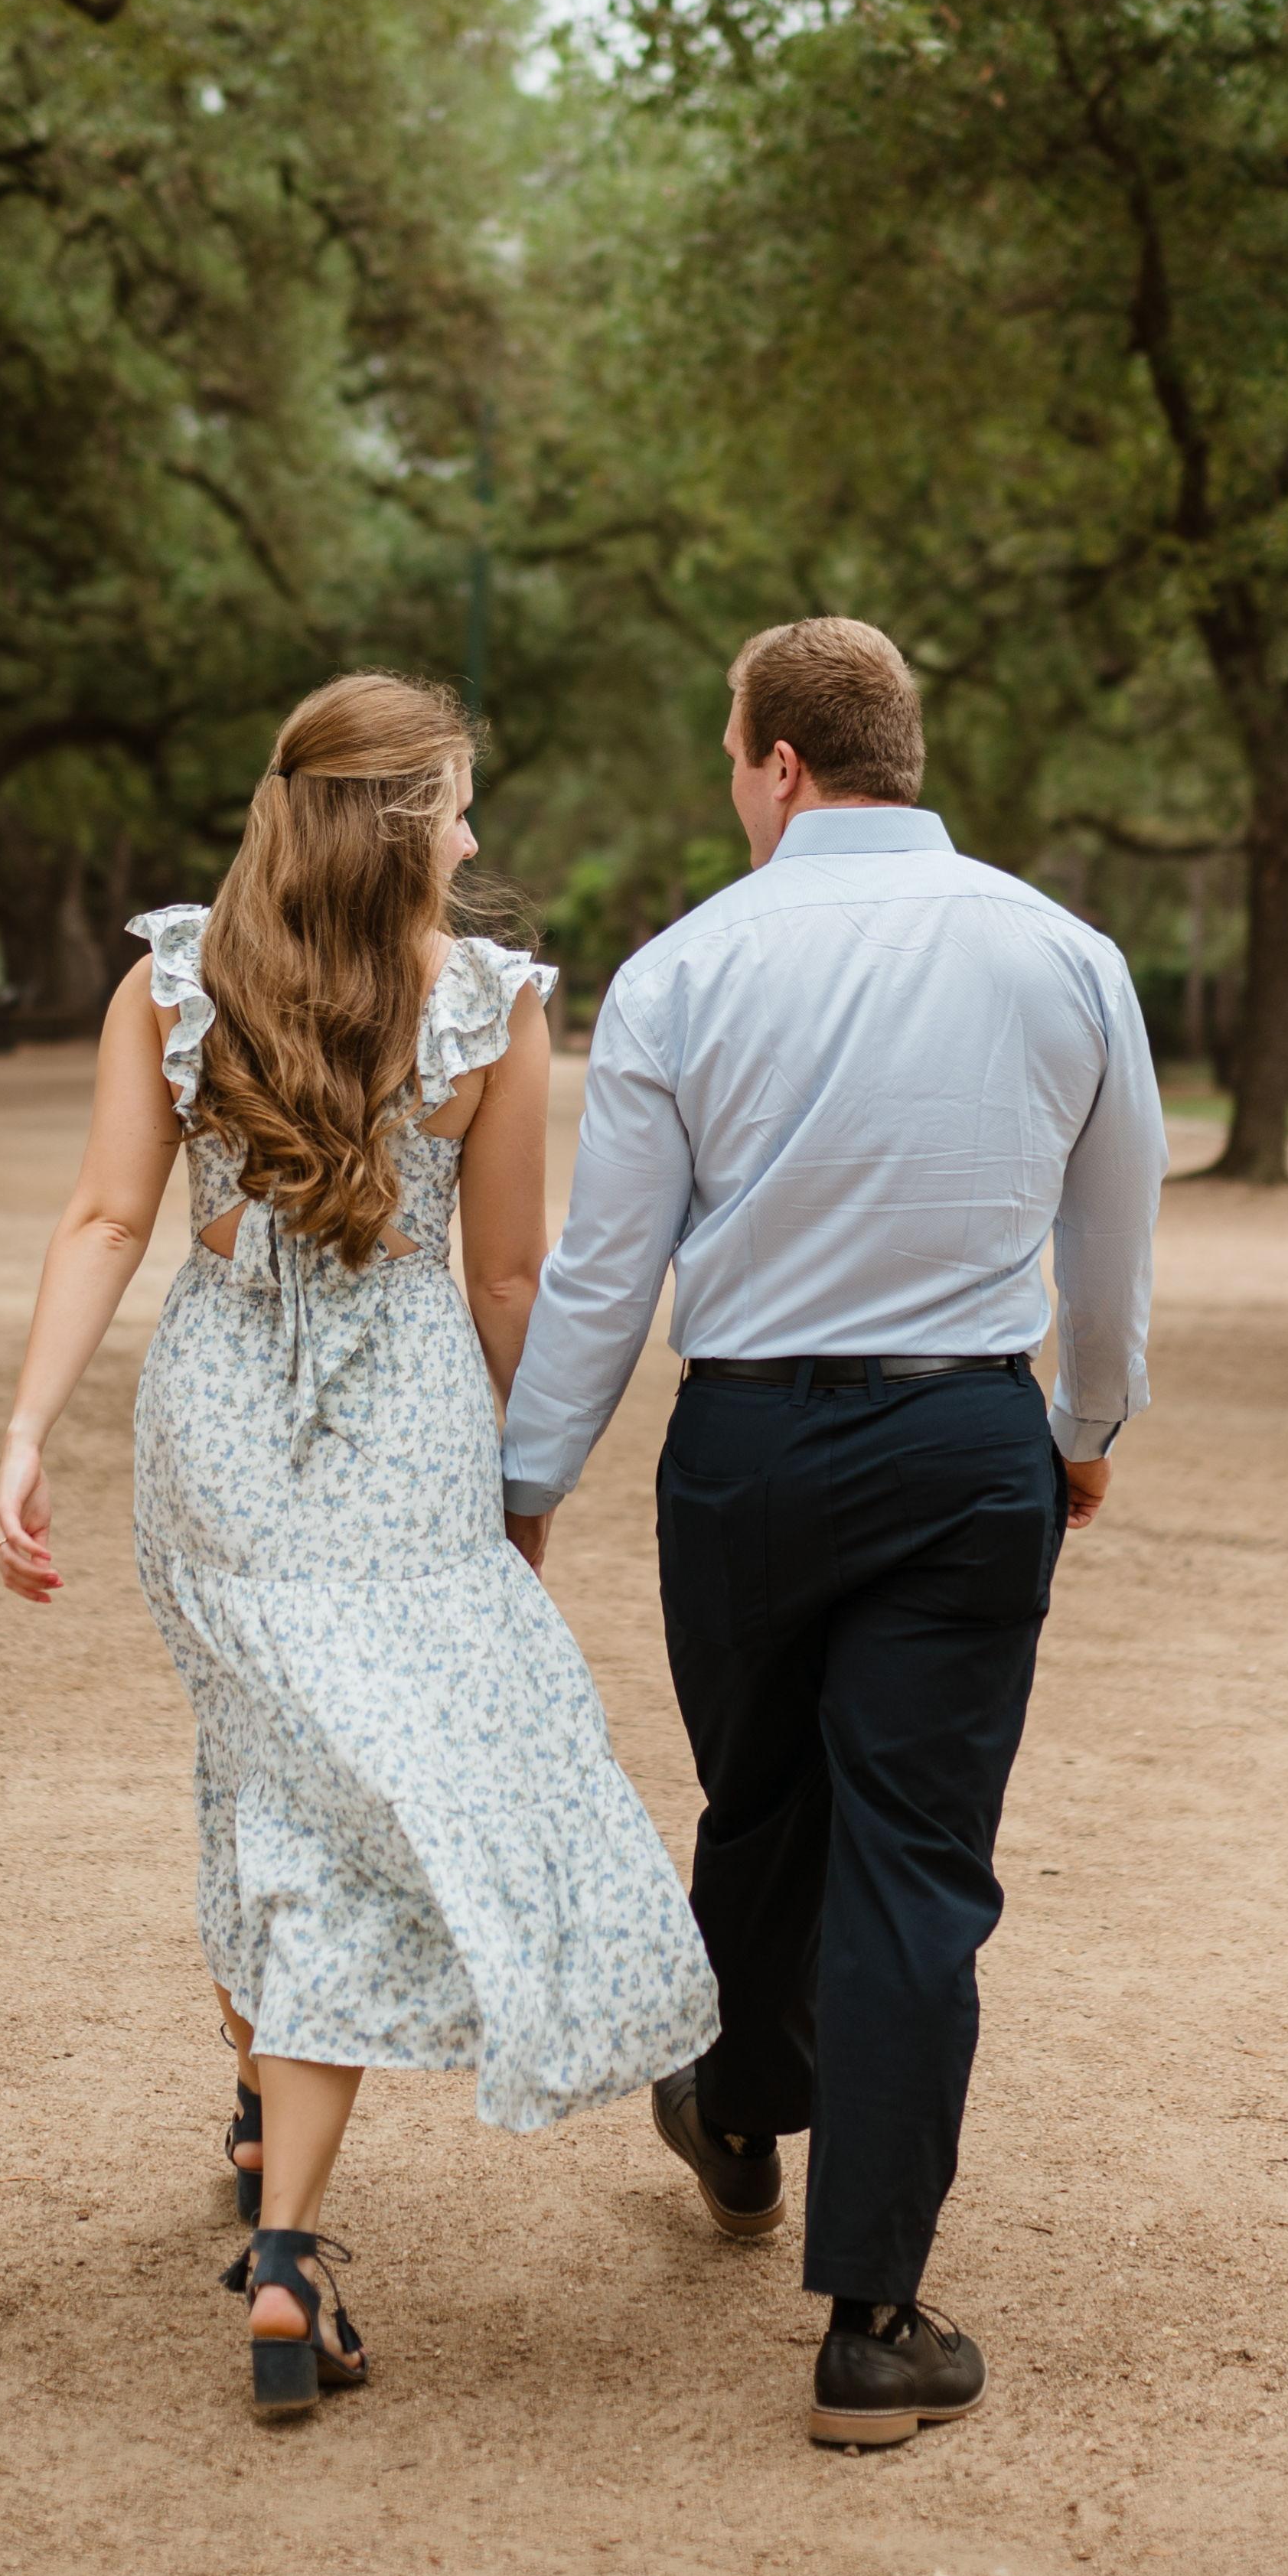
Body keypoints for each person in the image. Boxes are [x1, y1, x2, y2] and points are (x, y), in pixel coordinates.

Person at [0, 674, 714, 2421]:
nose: (474, 837)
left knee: (271, 1772)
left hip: (218, 1444)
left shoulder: (173, 982)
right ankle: (291, 2252)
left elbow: (105, 1216)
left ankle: (264, 2134)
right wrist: (529, 1489)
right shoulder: (490, 1011)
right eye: (457, 807)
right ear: (399, 829)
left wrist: (23, 1435)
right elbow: (510, 1279)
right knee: (343, 1796)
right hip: (404, 1452)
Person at [497, 618, 1165, 2450]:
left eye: (732, 755)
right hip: (965, 1434)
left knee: (764, 1801)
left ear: (783, 762)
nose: (733, 787)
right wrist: (1082, 1433)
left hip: (747, 1447)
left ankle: (732, 2107)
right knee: (914, 1863)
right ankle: (872, 2318)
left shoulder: (684, 970)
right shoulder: (1065, 955)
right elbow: (1111, 1242)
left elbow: (608, 1272)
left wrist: (526, 1483)